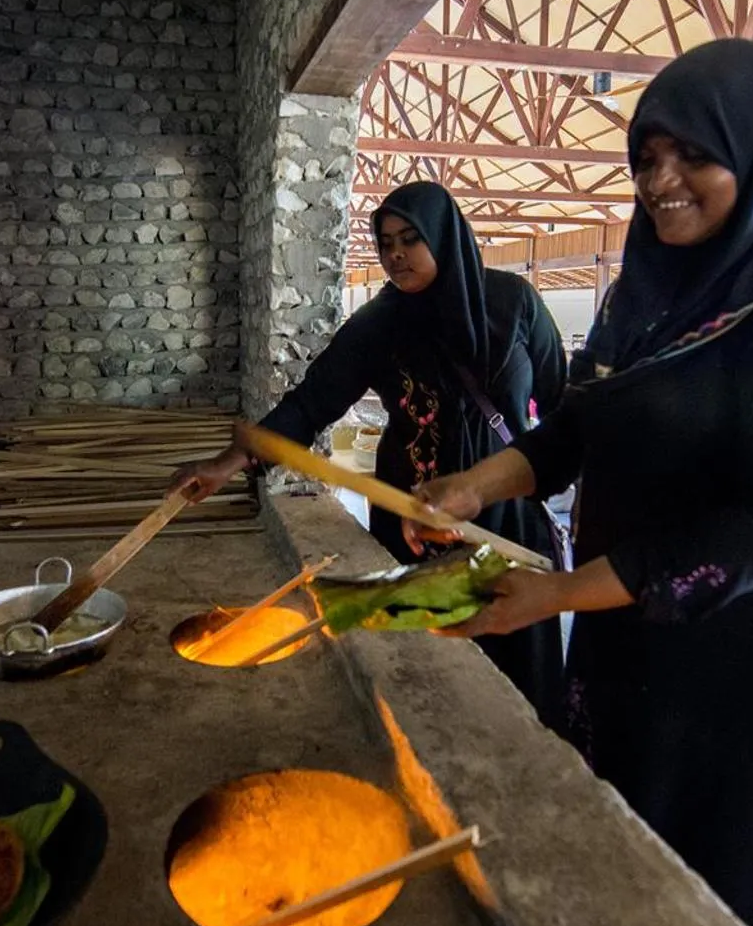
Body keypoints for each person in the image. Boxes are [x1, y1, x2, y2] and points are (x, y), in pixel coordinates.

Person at [406, 40, 753, 926]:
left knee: (734, 868)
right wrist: (473, 485)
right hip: (627, 598)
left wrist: (555, 593)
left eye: (693, 155)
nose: (660, 180)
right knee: (633, 827)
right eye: (645, 157)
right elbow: (580, 426)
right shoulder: (642, 296)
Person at [174, 180, 569, 728]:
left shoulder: (514, 303)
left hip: (505, 521)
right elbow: (312, 403)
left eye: (410, 239)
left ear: (445, 236)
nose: (396, 254)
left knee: (513, 679)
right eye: (385, 243)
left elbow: (562, 407)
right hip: (413, 523)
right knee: (420, 677)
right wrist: (228, 463)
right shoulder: (377, 326)